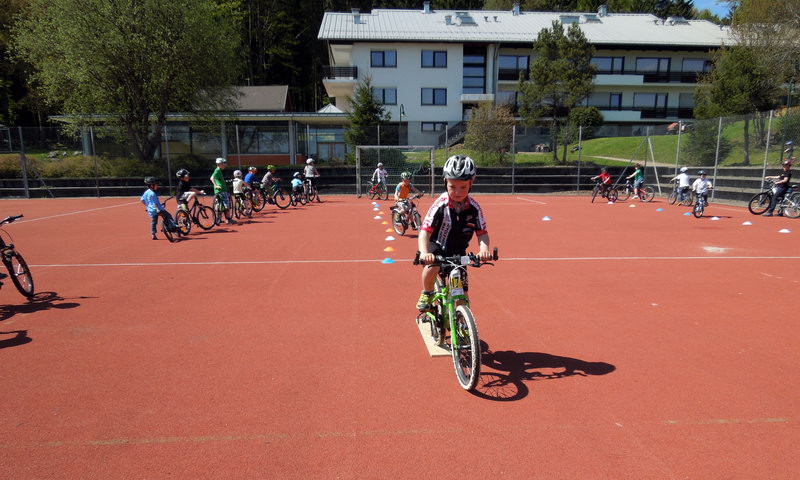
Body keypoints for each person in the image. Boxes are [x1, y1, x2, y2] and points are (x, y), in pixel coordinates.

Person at [416, 155, 492, 311]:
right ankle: (427, 292)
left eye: (463, 187)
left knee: (461, 294)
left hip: (458, 251)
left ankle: (463, 323)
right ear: (445, 183)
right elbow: (425, 231)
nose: (458, 192)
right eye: (452, 187)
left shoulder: (474, 208)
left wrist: (484, 250)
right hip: (437, 245)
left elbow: (482, 233)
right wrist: (424, 253)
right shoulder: (440, 204)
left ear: (471, 183)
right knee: (433, 266)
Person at [210, 157, 235, 225]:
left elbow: (217, 179)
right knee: (226, 205)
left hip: (220, 190)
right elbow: (212, 178)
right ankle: (228, 219)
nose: (225, 165)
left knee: (219, 205)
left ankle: (218, 219)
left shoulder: (219, 170)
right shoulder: (217, 170)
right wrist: (216, 185)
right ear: (220, 164)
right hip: (221, 190)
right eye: (224, 164)